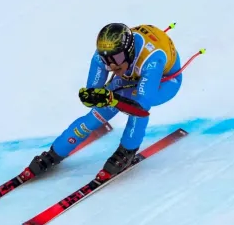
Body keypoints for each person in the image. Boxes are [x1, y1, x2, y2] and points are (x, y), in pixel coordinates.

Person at [27, 22, 184, 177]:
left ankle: (127, 151)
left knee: (137, 111)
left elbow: (140, 109)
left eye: (117, 58)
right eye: (107, 61)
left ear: (128, 51)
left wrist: (112, 99)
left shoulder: (152, 60)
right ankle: (55, 153)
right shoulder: (104, 55)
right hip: (130, 75)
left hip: (165, 81)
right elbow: (93, 94)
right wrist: (91, 97)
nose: (112, 65)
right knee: (94, 117)